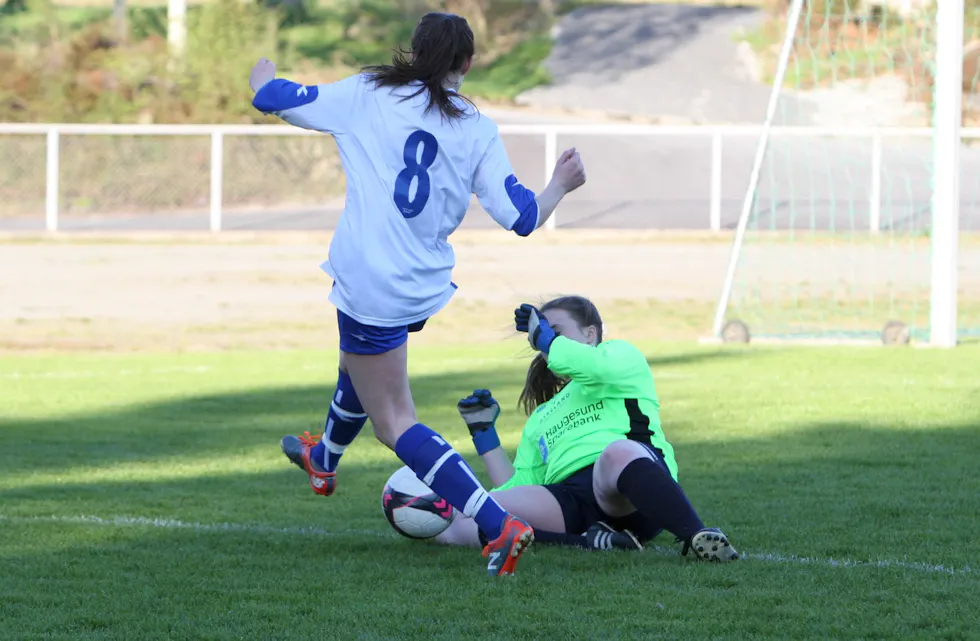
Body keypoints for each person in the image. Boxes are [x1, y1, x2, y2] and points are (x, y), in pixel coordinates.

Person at [248, 12, 587, 578]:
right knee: (357, 367)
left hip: (370, 281)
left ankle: (495, 521)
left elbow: (276, 98)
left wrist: (262, 75)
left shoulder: (368, 94)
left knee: (395, 422)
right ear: (468, 64)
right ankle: (323, 460)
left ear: (414, 51)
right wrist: (560, 185)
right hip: (419, 284)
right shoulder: (476, 128)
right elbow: (523, 217)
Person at [433, 296, 739, 563]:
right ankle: (594, 543)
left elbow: (596, 368)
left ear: (590, 334)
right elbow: (521, 484)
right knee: (463, 521)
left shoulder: (620, 357)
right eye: (540, 335)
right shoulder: (541, 415)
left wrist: (549, 343)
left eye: (554, 332)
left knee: (616, 452)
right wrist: (484, 433)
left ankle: (697, 534)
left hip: (626, 487)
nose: (542, 340)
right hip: (571, 502)